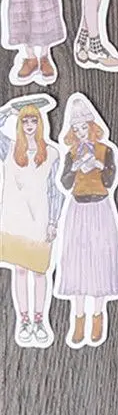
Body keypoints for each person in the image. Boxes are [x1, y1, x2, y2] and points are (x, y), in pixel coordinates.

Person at [54, 96, 118, 348]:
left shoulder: (106, 150)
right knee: (77, 260)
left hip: (100, 206)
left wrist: (99, 165)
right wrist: (74, 168)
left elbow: (109, 181)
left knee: (101, 257)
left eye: (84, 127)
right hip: (78, 207)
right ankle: (78, 318)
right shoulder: (71, 153)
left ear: (92, 127)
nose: (81, 132)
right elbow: (64, 183)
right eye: (77, 129)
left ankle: (97, 317)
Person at [0, 98, 61, 347]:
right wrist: (8, 110)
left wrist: (53, 221)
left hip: (40, 219)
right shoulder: (9, 149)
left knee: (39, 271)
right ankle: (24, 320)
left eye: (33, 120)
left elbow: (55, 190)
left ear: (40, 123)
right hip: (14, 220)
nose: (28, 125)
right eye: (24, 120)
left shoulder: (52, 153)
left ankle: (39, 319)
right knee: (20, 270)